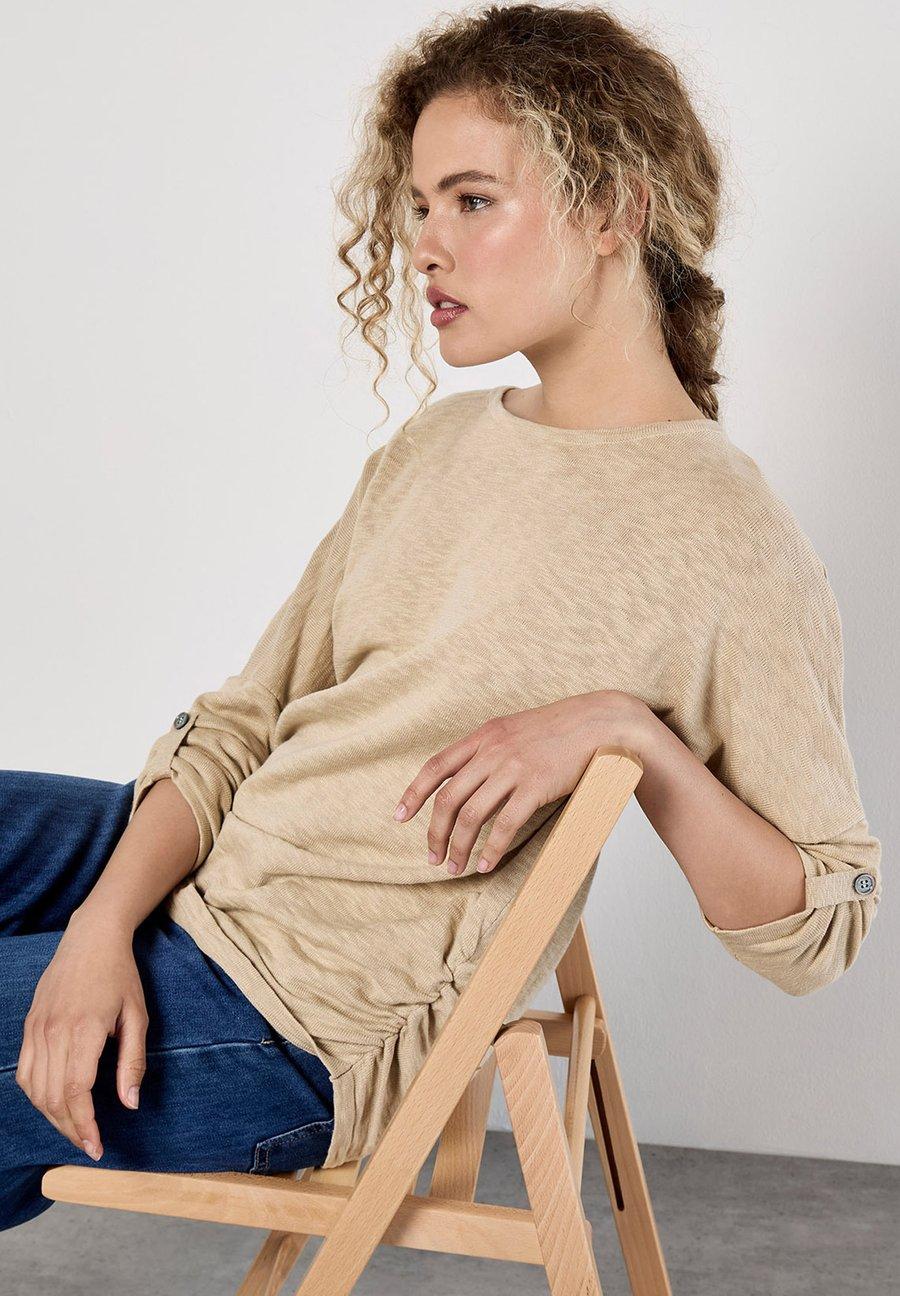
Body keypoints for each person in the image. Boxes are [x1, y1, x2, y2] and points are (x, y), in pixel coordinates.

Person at [1, 2, 881, 1232]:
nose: (424, 244)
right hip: (214, 870)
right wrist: (101, 925)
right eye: (420, 204)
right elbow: (243, 725)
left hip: (296, 1011)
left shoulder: (727, 538)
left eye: (472, 200)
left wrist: (630, 735)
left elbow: (820, 925)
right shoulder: (440, 445)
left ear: (617, 211)